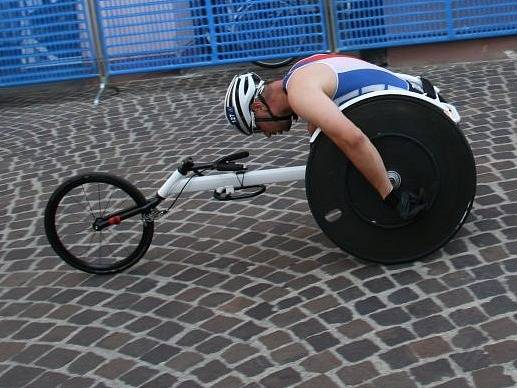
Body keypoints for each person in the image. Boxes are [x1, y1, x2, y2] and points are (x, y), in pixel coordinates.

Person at [224, 53, 427, 220]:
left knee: (344, 139)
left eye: (258, 127)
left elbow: (353, 140)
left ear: (258, 106)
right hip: (413, 93)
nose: (268, 135)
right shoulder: (299, 72)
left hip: (414, 113)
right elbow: (319, 133)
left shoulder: (299, 92)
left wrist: (390, 196)